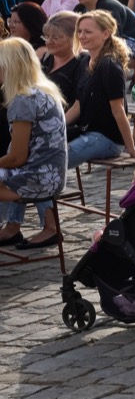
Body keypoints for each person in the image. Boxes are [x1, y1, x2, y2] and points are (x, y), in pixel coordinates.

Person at [0, 39, 67, 252]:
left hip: (40, 178)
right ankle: (13, 226)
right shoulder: (43, 90)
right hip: (50, 174)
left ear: (9, 67)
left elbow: (17, 157)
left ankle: (17, 226)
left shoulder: (22, 100)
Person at [65, 10, 135, 167]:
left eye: (88, 32)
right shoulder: (85, 61)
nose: (82, 36)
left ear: (106, 34)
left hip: (107, 139)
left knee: (56, 159)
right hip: (85, 131)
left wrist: (131, 149)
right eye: (80, 31)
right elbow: (78, 105)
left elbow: (118, 110)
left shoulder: (109, 65)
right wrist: (57, 126)